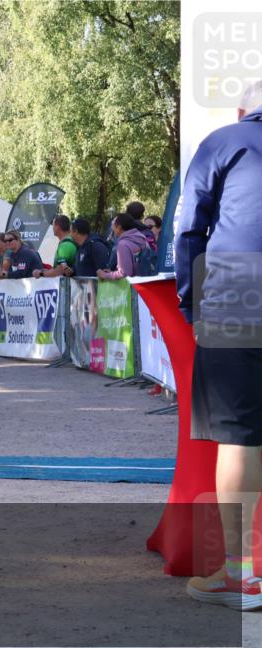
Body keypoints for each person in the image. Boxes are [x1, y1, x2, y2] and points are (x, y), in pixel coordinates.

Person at [179, 92, 262, 611]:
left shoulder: (223, 142)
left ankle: (239, 576)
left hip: (237, 294)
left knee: (238, 438)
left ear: (241, 112)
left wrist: (191, 303)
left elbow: (190, 230)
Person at [97, 214, 150, 280]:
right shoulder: (141, 238)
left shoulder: (123, 244)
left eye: (113, 225)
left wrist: (105, 275)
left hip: (132, 285)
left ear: (119, 227)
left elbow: (124, 274)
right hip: (145, 282)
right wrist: (112, 272)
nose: (112, 228)